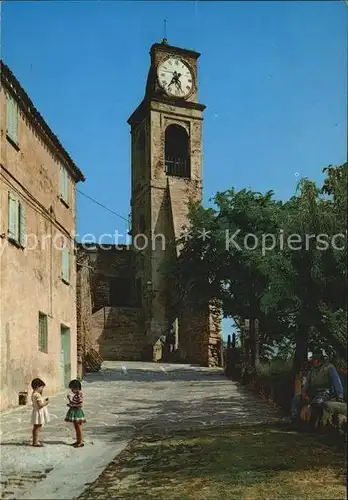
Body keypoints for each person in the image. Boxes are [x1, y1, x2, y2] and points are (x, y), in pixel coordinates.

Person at [291, 349, 344, 428]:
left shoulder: (329, 367)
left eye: (317, 359)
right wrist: (304, 393)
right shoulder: (312, 370)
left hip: (325, 393)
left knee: (317, 402)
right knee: (297, 397)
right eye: (314, 359)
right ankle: (295, 421)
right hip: (313, 392)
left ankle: (313, 424)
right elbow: (307, 383)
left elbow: (337, 382)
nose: (315, 361)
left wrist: (340, 396)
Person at [65, 379, 86, 447]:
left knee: (79, 427)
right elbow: (75, 403)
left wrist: (72, 405)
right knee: (76, 427)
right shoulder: (76, 395)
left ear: (76, 388)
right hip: (75, 412)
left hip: (77, 413)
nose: (71, 391)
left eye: (72, 389)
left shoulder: (79, 395)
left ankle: (80, 442)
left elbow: (80, 405)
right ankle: (78, 440)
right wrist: (69, 400)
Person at [30, 378, 50, 447]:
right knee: (37, 427)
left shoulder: (33, 394)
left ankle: (35, 440)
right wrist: (46, 403)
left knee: (36, 427)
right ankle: (35, 442)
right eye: (42, 387)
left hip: (36, 412)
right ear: (37, 387)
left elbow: (35, 403)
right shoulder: (37, 395)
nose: (42, 389)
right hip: (39, 412)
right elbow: (40, 405)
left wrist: (43, 400)